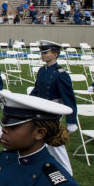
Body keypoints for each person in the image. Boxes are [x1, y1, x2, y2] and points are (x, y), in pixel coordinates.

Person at [29, 40, 77, 175]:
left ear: (55, 54)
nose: (42, 55)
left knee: (54, 142)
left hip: (53, 111)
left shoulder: (61, 74)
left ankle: (68, 174)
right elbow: (37, 90)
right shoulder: (42, 70)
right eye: (42, 52)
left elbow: (69, 98)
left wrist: (71, 120)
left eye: (46, 52)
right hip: (40, 109)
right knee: (41, 141)